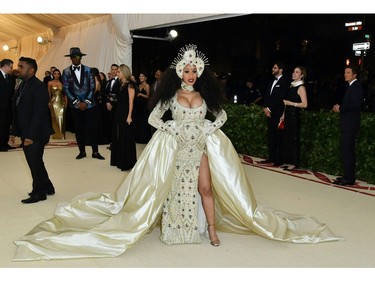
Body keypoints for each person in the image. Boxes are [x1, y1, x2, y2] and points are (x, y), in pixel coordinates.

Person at [12, 45, 342, 261]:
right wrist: (172, 130)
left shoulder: (205, 94)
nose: (190, 75)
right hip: (174, 147)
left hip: (200, 147)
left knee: (206, 188)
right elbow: (156, 117)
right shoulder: (172, 95)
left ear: (199, 73)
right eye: (186, 71)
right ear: (180, 72)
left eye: (194, 71)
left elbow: (222, 115)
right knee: (168, 190)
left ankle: (211, 228)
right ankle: (175, 228)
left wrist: (208, 130)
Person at [9, 57, 55, 204]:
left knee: (34, 161)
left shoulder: (39, 86)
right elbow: (17, 109)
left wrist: (30, 136)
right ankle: (47, 186)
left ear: (31, 70)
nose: (18, 69)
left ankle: (39, 192)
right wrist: (14, 132)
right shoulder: (23, 84)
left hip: (36, 132)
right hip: (26, 131)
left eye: (21, 67)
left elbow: (39, 113)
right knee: (36, 161)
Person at [62, 47, 105, 160]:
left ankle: (95, 152)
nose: (75, 59)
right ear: (70, 58)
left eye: (77, 56)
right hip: (75, 106)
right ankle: (82, 152)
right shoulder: (66, 72)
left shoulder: (88, 70)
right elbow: (66, 88)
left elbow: (92, 86)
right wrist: (77, 102)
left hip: (90, 105)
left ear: (81, 57)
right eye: (73, 57)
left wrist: (86, 102)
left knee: (93, 128)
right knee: (79, 129)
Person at [332, 65, 364, 186]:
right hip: (347, 124)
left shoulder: (356, 87)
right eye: (345, 72)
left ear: (354, 74)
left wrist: (340, 108)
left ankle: (349, 178)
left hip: (350, 125)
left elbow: (355, 105)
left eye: (348, 72)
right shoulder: (351, 87)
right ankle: (347, 175)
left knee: (348, 151)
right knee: (346, 150)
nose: (345, 74)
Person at [260, 61, 290, 166]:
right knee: (271, 136)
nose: (273, 69)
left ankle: (279, 160)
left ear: (280, 70)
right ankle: (271, 158)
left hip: (278, 113)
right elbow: (267, 95)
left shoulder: (285, 82)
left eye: (275, 68)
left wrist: (270, 109)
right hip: (269, 113)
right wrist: (265, 108)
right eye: (273, 67)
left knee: (279, 137)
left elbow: (280, 98)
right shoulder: (271, 80)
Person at [280, 66, 308, 171]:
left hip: (295, 115)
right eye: (293, 71)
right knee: (287, 138)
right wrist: (283, 114)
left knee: (293, 139)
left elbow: (305, 104)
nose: (294, 74)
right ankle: (287, 161)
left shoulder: (301, 87)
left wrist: (290, 103)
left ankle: (294, 163)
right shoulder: (292, 86)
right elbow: (286, 104)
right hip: (288, 114)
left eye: (297, 72)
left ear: (301, 75)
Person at [110, 64, 137, 171]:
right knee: (118, 135)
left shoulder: (130, 85)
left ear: (124, 73)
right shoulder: (121, 84)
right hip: (119, 113)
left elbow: (131, 102)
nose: (117, 73)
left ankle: (127, 162)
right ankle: (119, 159)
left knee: (126, 136)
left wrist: (129, 116)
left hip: (126, 113)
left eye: (119, 71)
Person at [103, 64, 120, 145]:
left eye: (115, 69)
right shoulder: (108, 81)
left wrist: (112, 103)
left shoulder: (120, 81)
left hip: (117, 107)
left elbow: (119, 94)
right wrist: (107, 102)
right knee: (109, 123)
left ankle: (116, 142)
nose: (113, 71)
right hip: (108, 106)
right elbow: (105, 93)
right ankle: (111, 141)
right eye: (112, 69)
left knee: (116, 124)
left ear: (118, 70)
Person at [0, 59, 15, 151]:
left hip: (7, 107)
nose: (11, 69)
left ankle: (5, 143)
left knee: (5, 126)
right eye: (11, 67)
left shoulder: (9, 77)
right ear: (5, 66)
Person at [48, 68, 67, 140]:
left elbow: (65, 94)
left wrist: (66, 102)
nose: (56, 75)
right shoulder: (50, 83)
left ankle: (62, 134)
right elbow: (49, 93)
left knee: (62, 118)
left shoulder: (62, 83)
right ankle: (56, 135)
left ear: (60, 75)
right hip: (53, 102)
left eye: (58, 74)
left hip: (61, 102)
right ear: (53, 74)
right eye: (55, 74)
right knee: (54, 118)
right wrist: (49, 101)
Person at [134, 72, 152, 143]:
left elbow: (149, 96)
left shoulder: (147, 86)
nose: (140, 77)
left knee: (144, 122)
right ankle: (138, 138)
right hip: (138, 106)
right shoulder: (139, 85)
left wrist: (141, 94)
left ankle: (144, 139)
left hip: (144, 106)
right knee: (139, 122)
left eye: (142, 76)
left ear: (146, 78)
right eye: (140, 76)